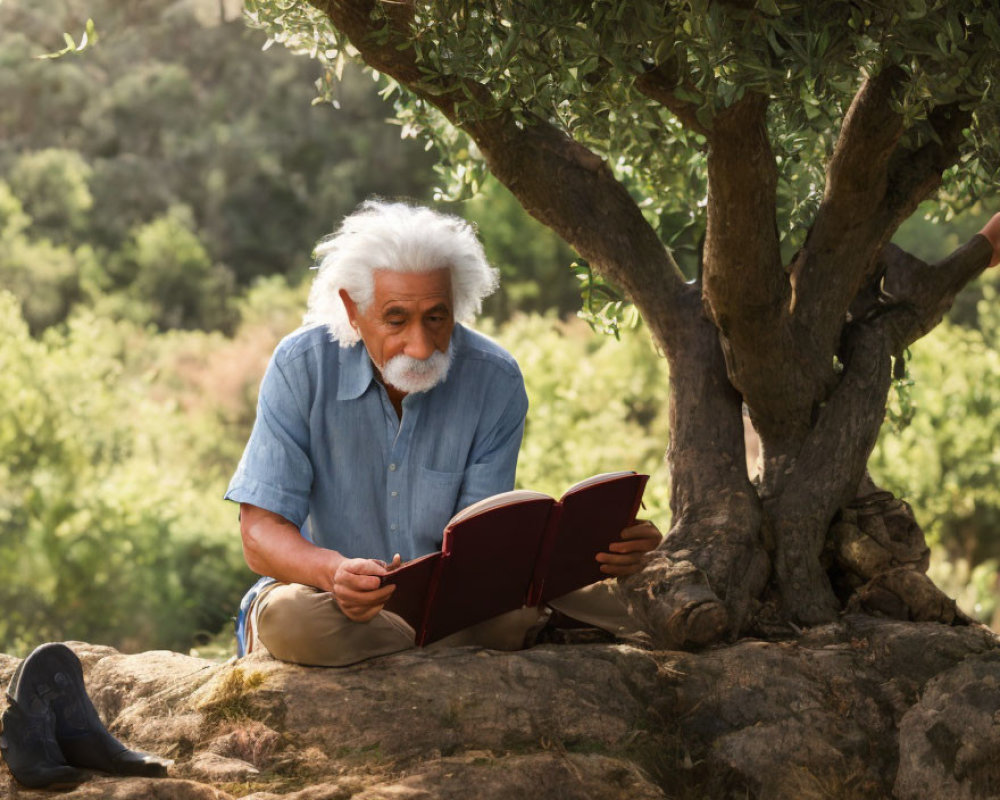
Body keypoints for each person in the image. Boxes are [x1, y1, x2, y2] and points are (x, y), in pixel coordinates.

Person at [225, 200, 662, 666]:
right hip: (331, 601)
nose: (421, 345)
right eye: (396, 320)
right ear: (352, 310)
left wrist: (600, 546)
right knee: (291, 621)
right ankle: (446, 643)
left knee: (509, 614)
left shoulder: (494, 378)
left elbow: (484, 542)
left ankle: (410, 644)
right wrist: (333, 572)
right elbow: (259, 533)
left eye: (437, 317)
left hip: (455, 605)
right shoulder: (301, 366)